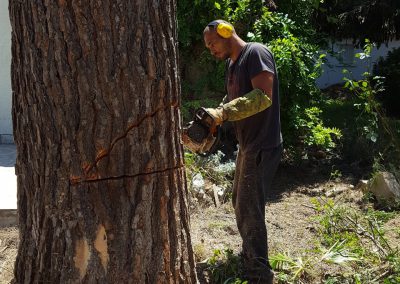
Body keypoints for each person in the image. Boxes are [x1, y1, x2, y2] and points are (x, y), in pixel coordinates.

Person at [202, 20, 283, 283]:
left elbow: (262, 96)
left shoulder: (255, 53)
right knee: (240, 199)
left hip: (263, 143)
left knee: (250, 208)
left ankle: (259, 273)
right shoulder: (232, 64)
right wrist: (214, 115)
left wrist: (223, 113)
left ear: (226, 33)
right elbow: (234, 98)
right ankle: (250, 253)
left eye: (212, 43)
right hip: (247, 144)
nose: (211, 50)